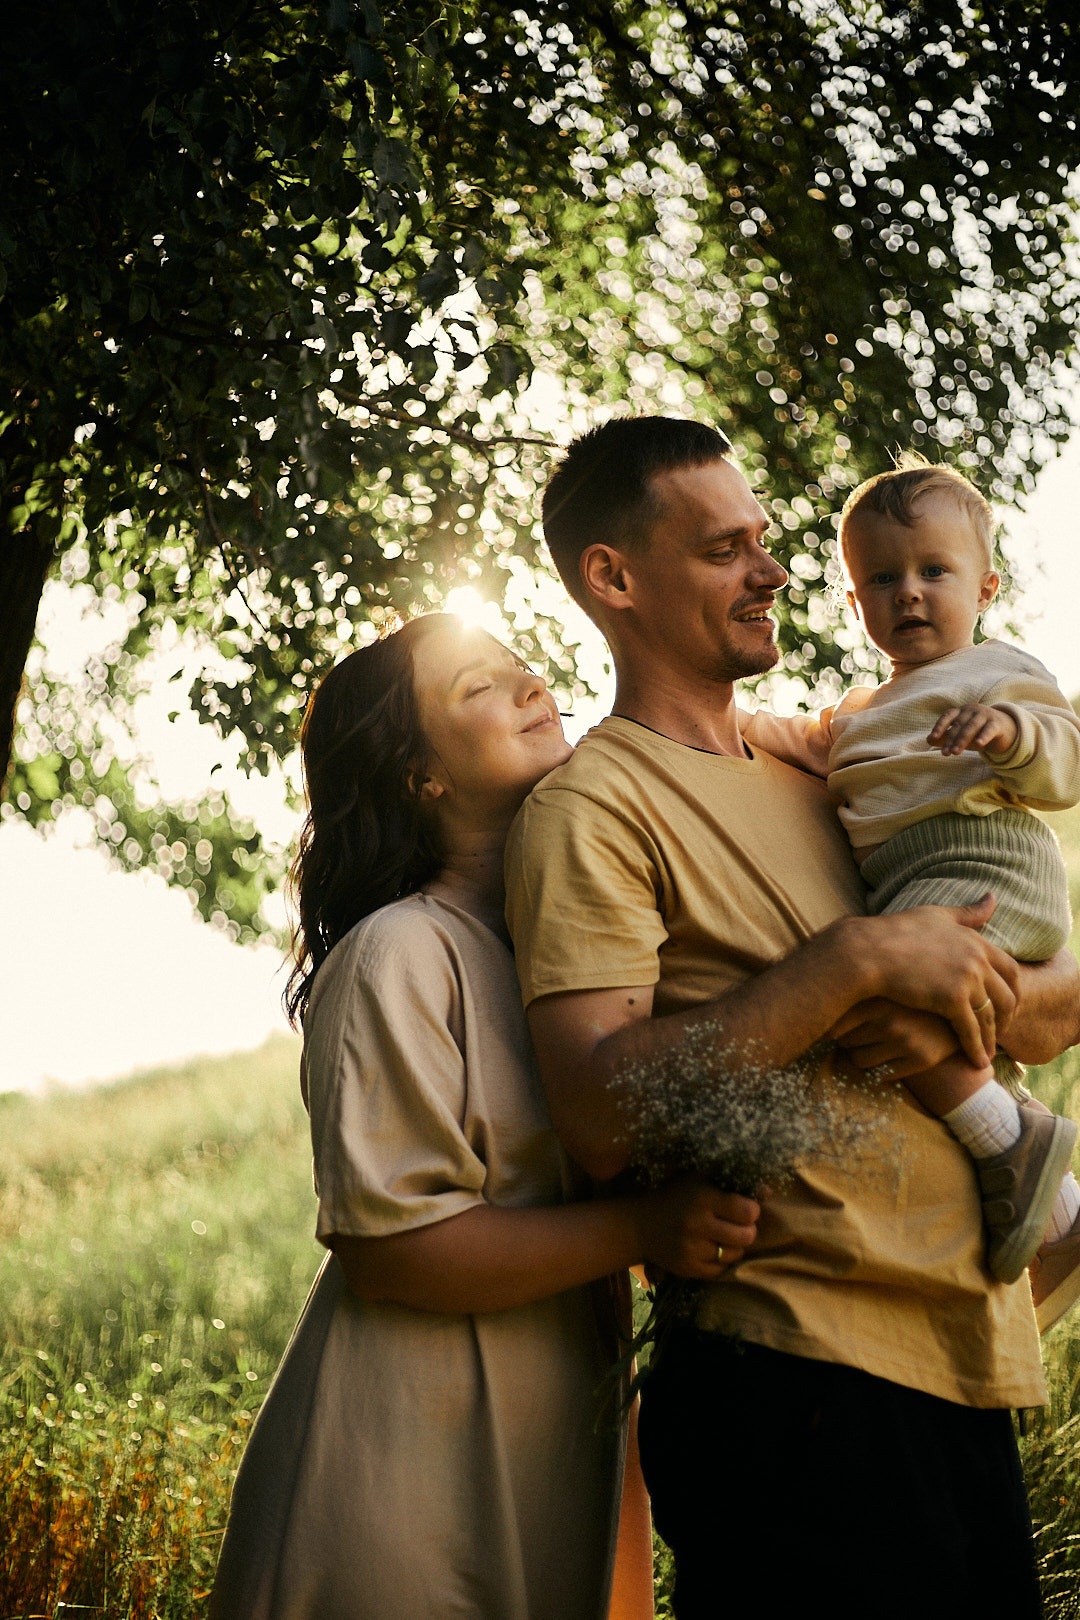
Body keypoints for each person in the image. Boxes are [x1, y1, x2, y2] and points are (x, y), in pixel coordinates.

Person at [503, 416, 1080, 1617]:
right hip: (796, 1385)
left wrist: (998, 1000)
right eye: (725, 549)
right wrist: (858, 958)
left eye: (766, 541)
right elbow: (604, 1114)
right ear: (613, 577)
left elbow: (1036, 996)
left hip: (966, 1365)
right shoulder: (592, 807)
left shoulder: (832, 761)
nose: (772, 572)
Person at [209, 612, 759, 1620]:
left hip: (554, 1427)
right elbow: (397, 1250)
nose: (527, 683)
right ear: (421, 775)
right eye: (477, 687)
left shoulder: (568, 959)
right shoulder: (398, 953)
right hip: (404, 1460)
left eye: (520, 666)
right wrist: (645, 1228)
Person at [738, 454, 1080, 1306]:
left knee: (877, 995)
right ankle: (1061, 1211)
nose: (911, 593)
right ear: (855, 605)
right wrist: (725, 723)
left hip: (983, 863)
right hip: (914, 884)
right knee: (902, 1019)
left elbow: (1066, 756)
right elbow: (796, 739)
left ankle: (1014, 1148)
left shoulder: (995, 673)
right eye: (882, 579)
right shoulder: (857, 713)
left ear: (986, 586)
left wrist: (1009, 735)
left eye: (935, 571)